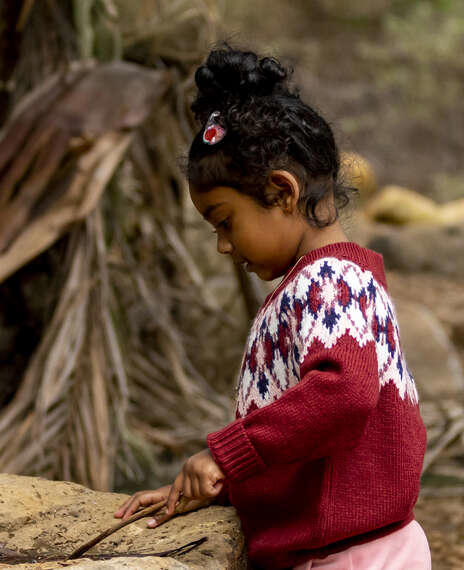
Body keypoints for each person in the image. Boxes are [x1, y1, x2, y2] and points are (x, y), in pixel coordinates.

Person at [111, 46, 431, 569]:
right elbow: (309, 443)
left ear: (282, 192)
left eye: (225, 221)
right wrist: (223, 486)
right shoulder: (320, 283)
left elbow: (343, 394)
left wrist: (226, 453)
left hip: (348, 558)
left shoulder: (332, 281)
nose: (222, 245)